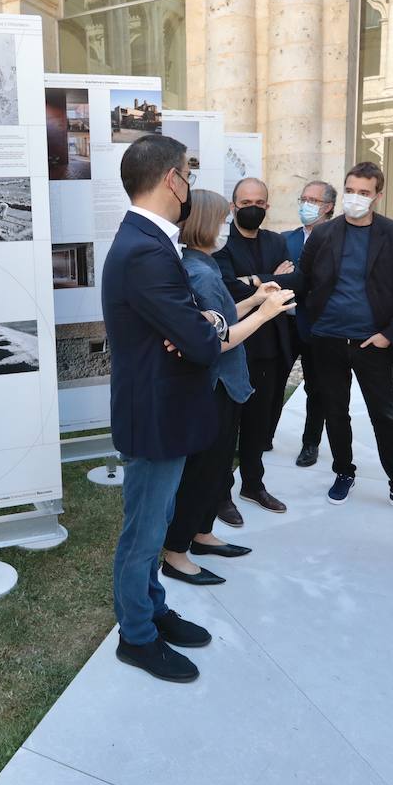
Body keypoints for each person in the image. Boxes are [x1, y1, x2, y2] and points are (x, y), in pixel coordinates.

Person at [101, 133, 229, 684]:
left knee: (152, 528)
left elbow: (199, 326)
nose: (190, 185)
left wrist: (205, 324)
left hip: (164, 410)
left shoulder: (149, 243)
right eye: (188, 174)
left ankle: (152, 611)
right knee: (143, 534)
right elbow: (200, 342)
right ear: (173, 179)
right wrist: (203, 329)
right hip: (154, 415)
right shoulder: (145, 250)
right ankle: (138, 637)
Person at [162, 189, 296, 585]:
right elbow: (216, 340)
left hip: (224, 385)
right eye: (221, 218)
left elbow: (218, 319)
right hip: (214, 385)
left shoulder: (200, 265)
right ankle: (176, 552)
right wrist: (266, 313)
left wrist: (254, 298)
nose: (226, 225)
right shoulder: (201, 271)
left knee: (216, 467)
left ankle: (200, 534)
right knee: (203, 472)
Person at [295, 162, 393, 512]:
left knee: (385, 415)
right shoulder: (324, 233)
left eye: (364, 193)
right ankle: (343, 471)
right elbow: (302, 281)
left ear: (377, 196)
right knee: (336, 412)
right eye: (350, 190)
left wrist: (390, 335)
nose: (355, 198)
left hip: (373, 344)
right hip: (328, 341)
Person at [214, 177, 301, 521]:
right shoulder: (221, 245)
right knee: (227, 427)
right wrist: (264, 279)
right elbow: (227, 291)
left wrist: (251, 279)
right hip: (237, 348)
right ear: (233, 205)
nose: (253, 208)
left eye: (259, 202)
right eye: (245, 202)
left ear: (267, 206)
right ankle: (221, 495)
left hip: (271, 348)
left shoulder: (276, 240)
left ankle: (253, 483)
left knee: (258, 425)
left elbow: (295, 283)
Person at [285, 181, 337, 468]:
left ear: (327, 207)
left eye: (313, 200)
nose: (306, 204)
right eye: (303, 198)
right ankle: (264, 436)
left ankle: (310, 443)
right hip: (284, 324)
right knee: (271, 383)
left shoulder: (336, 239)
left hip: (318, 327)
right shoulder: (286, 239)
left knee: (316, 388)